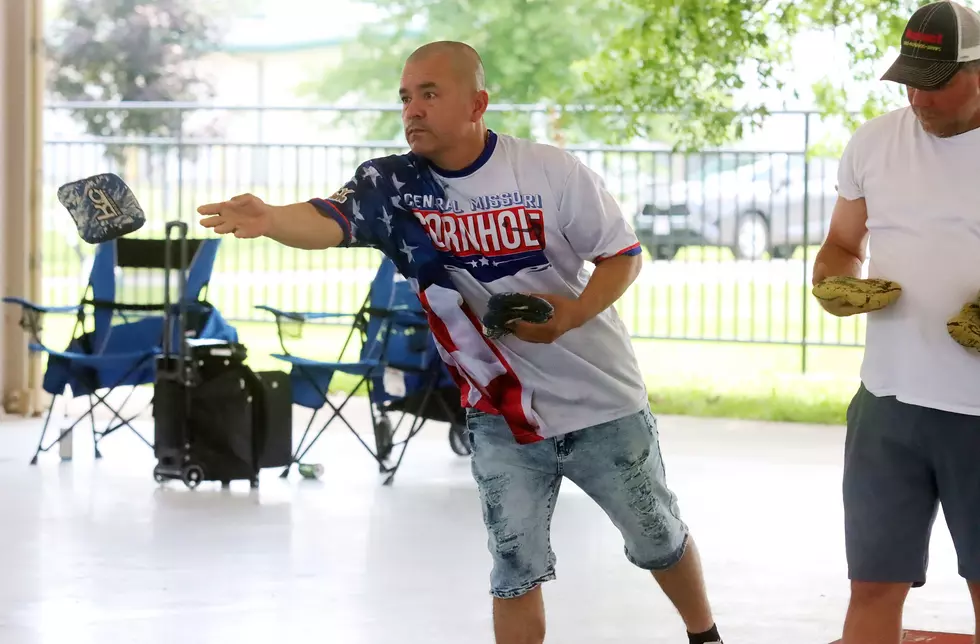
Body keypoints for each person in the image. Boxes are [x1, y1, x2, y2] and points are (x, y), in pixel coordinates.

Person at [197, 41, 724, 644]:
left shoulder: (549, 172)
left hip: (602, 402)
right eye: (404, 97)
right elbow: (326, 219)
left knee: (656, 536)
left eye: (429, 94)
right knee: (514, 569)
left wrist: (573, 313)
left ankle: (704, 634)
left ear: (478, 103)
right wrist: (269, 219)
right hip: (502, 412)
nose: (412, 110)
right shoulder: (392, 186)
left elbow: (623, 257)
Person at [812, 2, 980, 642]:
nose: (919, 97)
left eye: (936, 82)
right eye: (909, 79)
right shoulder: (874, 142)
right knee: (873, 588)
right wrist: (835, 285)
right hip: (887, 407)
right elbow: (841, 245)